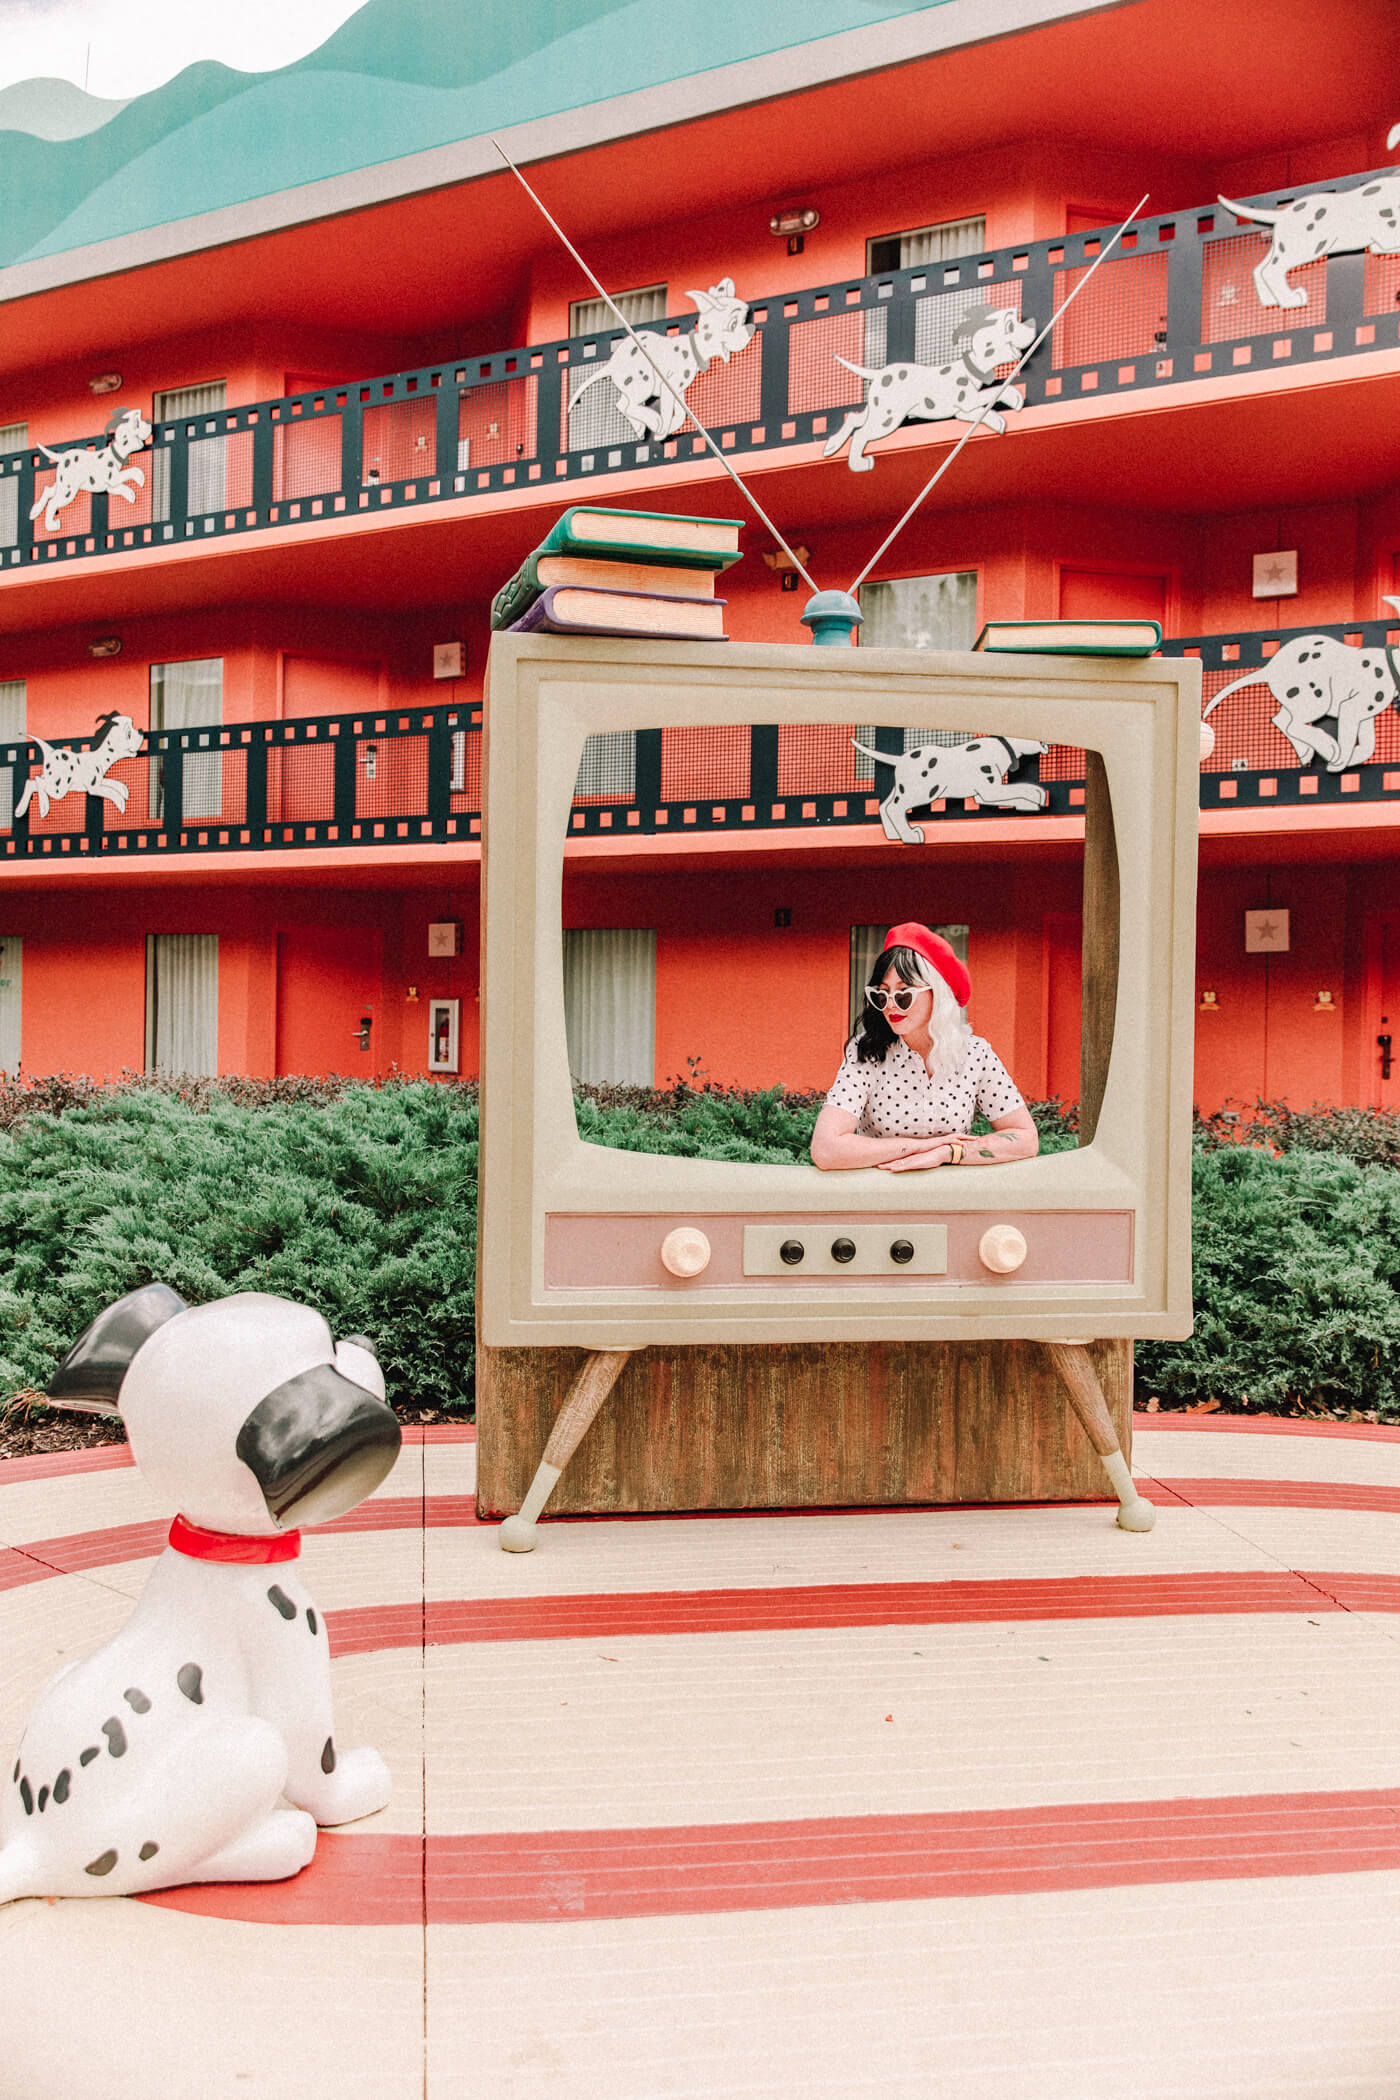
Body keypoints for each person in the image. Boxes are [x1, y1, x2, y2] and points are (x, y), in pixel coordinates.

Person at [810, 921, 1039, 1172]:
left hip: (950, 1202)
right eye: (882, 994)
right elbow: (825, 1149)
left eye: (904, 994)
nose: (890, 1005)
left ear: (937, 996)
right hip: (881, 1199)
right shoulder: (866, 1052)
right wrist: (920, 1147)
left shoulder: (975, 1054)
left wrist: (947, 1152)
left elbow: (1026, 1139)